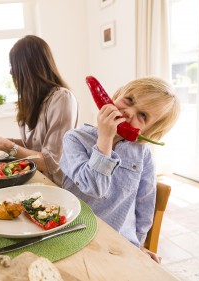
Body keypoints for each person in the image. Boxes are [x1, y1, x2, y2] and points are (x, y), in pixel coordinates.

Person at [60, 77, 181, 263]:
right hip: (73, 235)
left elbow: (145, 206)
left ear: (148, 131)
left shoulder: (143, 155)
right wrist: (105, 140)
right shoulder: (75, 139)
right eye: (129, 100)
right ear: (117, 95)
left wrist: (139, 246)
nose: (129, 112)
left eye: (143, 115)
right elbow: (93, 187)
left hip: (118, 244)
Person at [0, 35, 78, 186]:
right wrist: (0, 140)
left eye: (13, 66)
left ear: (29, 67)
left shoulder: (62, 99)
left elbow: (50, 163)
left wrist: (6, 145)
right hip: (33, 178)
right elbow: (32, 146)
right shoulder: (31, 99)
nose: (11, 73)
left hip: (56, 186)